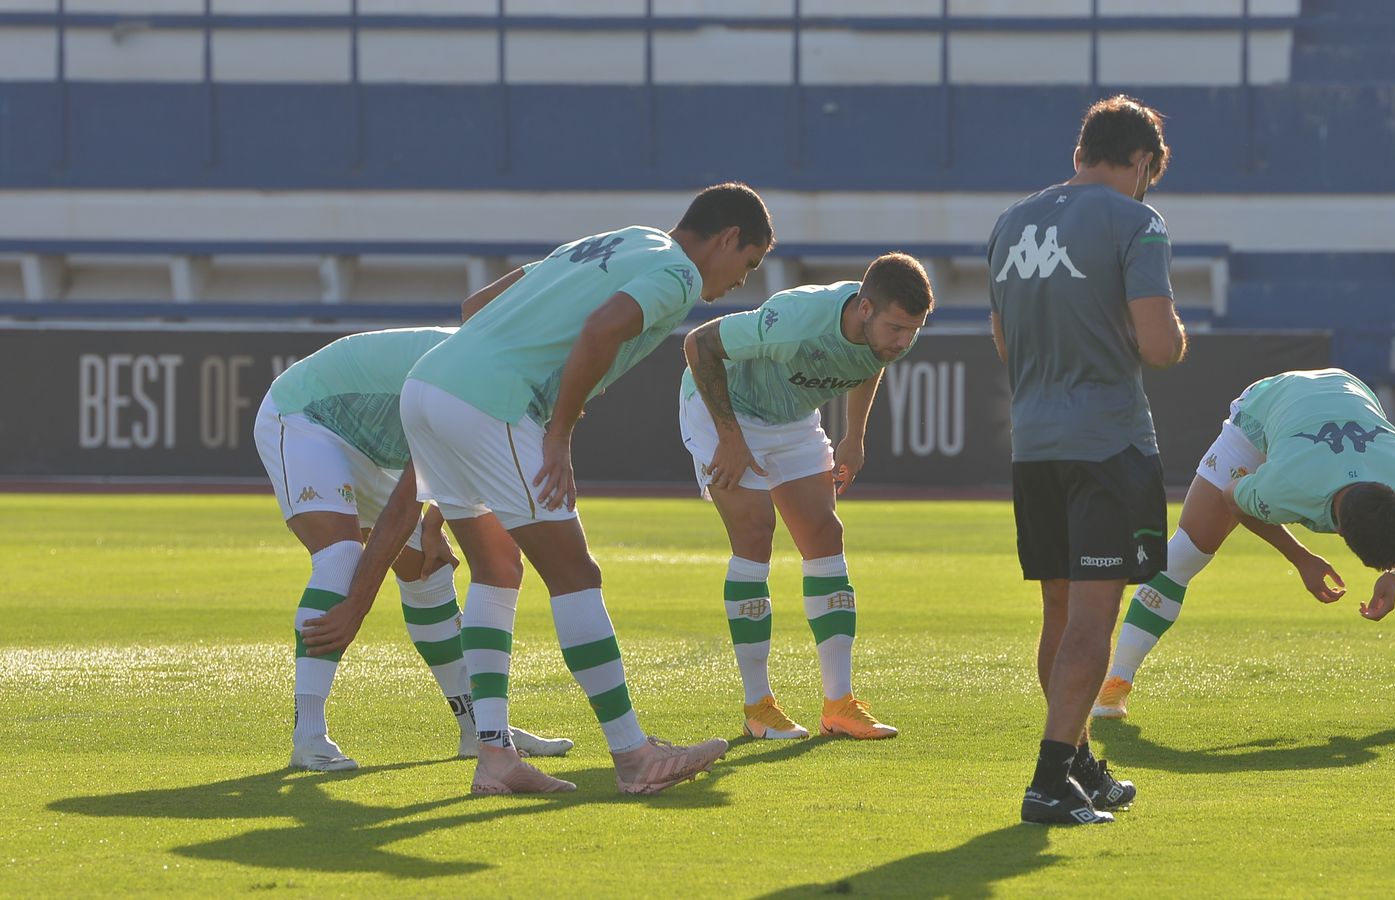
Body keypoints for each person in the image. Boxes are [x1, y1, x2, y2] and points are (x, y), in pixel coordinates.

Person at [322, 183, 773, 796]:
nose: (742, 280)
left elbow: (476, 305)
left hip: (426, 386)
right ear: (727, 238)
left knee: (496, 569)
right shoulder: (680, 274)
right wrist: (557, 432)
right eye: (749, 263)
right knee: (575, 574)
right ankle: (633, 755)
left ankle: (494, 756)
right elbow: (601, 330)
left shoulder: (622, 239)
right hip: (492, 402)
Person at [1094, 367, 1395, 725]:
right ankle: (1114, 684)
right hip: (1262, 413)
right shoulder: (1287, 485)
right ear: (1337, 531)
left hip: (1347, 392)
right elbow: (1232, 498)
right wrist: (1301, 557)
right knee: (1189, 548)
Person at [988, 95, 1187, 826]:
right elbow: (1160, 347)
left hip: (1034, 442)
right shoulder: (1137, 222)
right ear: (1143, 162)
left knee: (1059, 611)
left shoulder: (1011, 223)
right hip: (1108, 442)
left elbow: (1004, 342)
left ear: (1080, 154)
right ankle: (1048, 782)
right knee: (1093, 621)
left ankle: (1078, 768)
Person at [254, 325, 572, 772]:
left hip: (366, 445)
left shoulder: (506, 375)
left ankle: (477, 730)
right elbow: (404, 506)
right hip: (303, 415)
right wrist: (355, 608)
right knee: (341, 557)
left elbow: (453, 465)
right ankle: (308, 738)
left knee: (427, 567)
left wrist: (435, 525)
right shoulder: (473, 379)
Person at [680, 253, 934, 742]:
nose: (904, 341)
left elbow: (871, 361)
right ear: (864, 308)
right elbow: (699, 344)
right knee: (756, 534)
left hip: (791, 417)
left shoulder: (889, 330)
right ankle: (759, 706)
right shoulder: (796, 320)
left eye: (913, 330)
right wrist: (730, 437)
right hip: (725, 410)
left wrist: (855, 436)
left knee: (824, 534)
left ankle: (839, 704)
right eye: (897, 329)